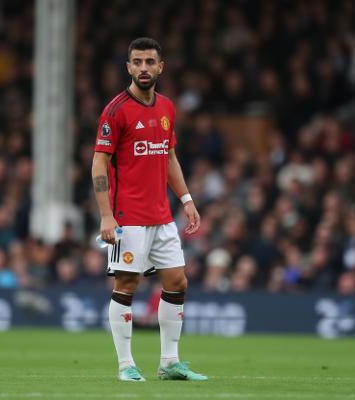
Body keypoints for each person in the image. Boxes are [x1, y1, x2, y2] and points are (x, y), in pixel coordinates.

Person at [92, 37, 207, 382]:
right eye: (137, 62)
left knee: (177, 281)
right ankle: (125, 365)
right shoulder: (116, 110)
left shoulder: (167, 107)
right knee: (127, 284)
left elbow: (168, 156)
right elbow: (99, 163)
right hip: (127, 218)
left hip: (162, 216)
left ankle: (169, 362)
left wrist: (186, 199)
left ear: (160, 67)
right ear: (128, 67)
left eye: (150, 62)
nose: (144, 68)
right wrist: (106, 214)